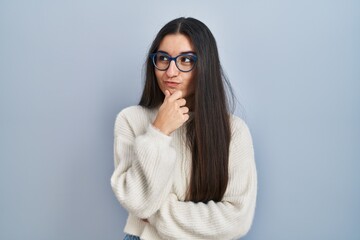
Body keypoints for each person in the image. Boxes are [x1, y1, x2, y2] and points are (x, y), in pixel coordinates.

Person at [111, 17, 257, 240]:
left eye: (186, 60)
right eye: (163, 58)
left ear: (205, 65)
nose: (171, 71)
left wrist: (157, 214)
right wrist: (159, 132)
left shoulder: (234, 131)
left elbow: (236, 219)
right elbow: (138, 203)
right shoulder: (131, 120)